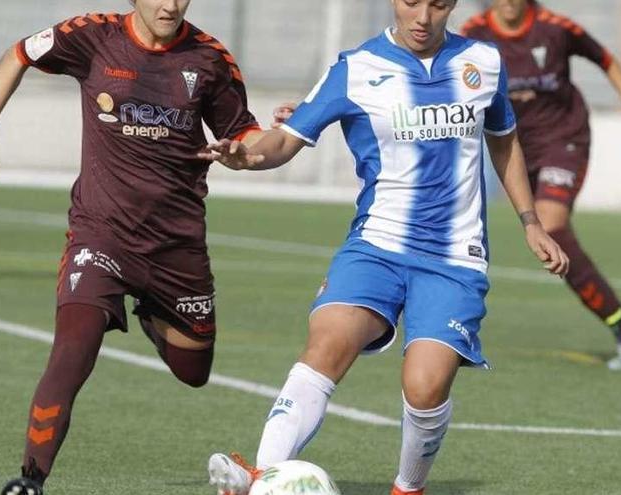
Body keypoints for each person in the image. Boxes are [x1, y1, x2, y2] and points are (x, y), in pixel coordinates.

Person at [201, 1, 568, 494]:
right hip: (376, 245)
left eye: (436, 4)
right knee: (328, 340)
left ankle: (407, 488)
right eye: (410, 2)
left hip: (453, 258)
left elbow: (503, 140)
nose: (422, 16)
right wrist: (243, 156)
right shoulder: (355, 68)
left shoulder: (484, 61)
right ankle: (262, 474)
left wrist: (531, 222)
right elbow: (284, 141)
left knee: (425, 385)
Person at [0, 1, 262, 493]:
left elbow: (245, 134)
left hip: (176, 245)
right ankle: (30, 480)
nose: (170, 4)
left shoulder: (210, 59)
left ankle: (150, 315)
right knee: (73, 351)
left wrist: (243, 153)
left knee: (194, 372)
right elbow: (19, 53)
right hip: (100, 234)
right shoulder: (92, 36)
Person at [461, 0, 621, 370]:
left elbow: (607, 61)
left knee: (550, 226)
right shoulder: (474, 35)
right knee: (543, 236)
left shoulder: (555, 28)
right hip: (515, 148)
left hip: (564, 138)